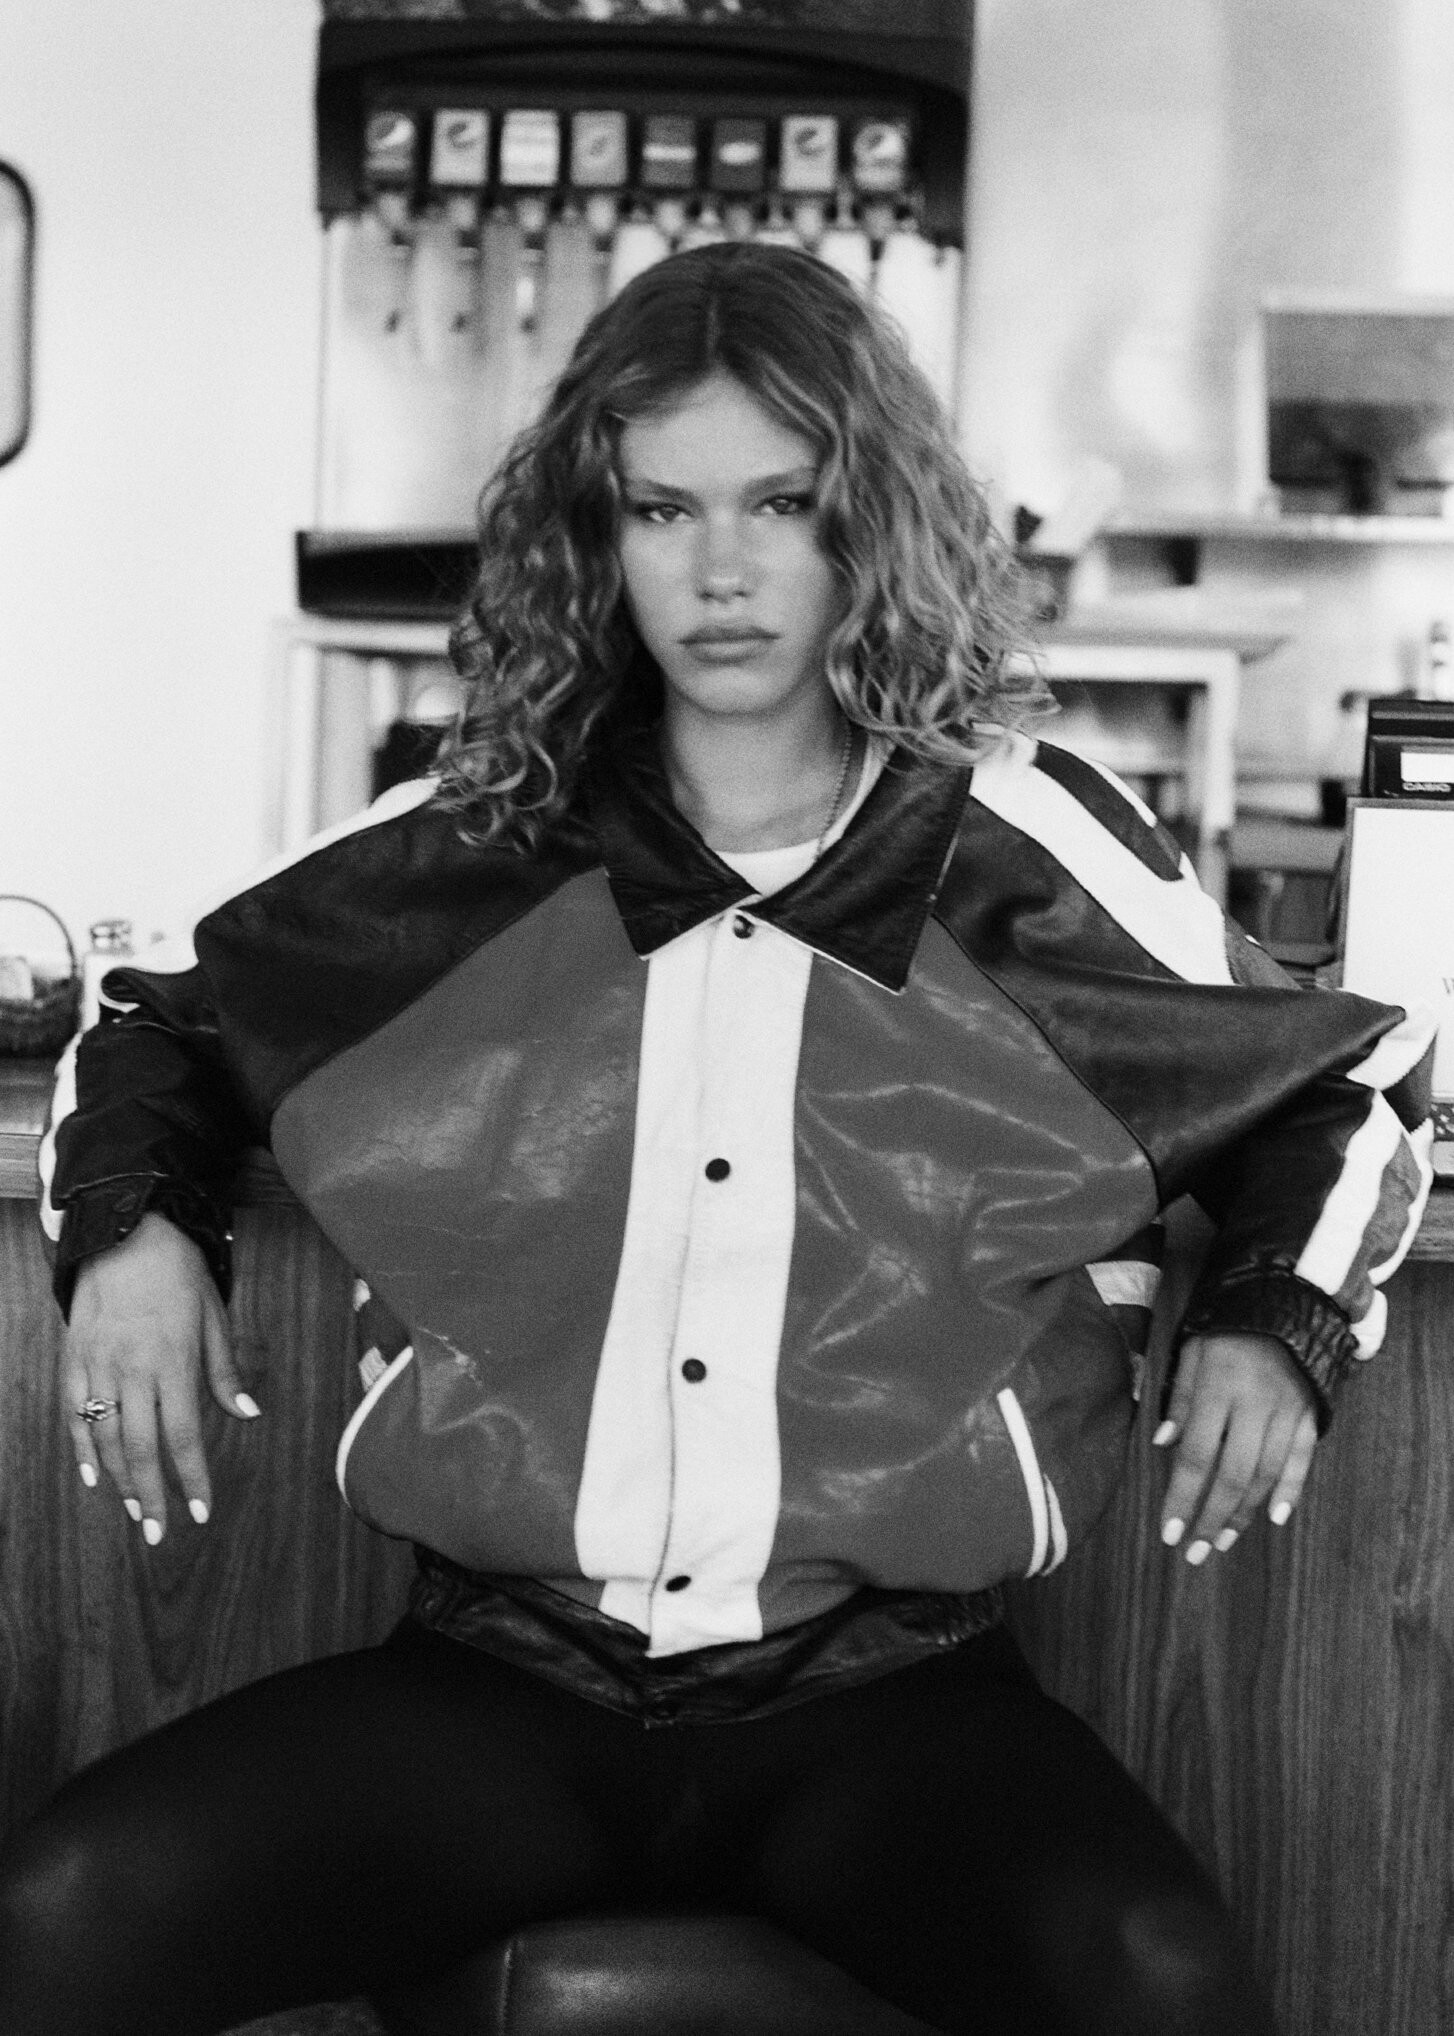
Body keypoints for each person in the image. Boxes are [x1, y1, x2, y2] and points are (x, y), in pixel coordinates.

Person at [0, 242, 1433, 2036]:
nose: (722, 570)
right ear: (595, 538)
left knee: (1161, 1982)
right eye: (662, 509)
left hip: (890, 1704)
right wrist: (134, 1234)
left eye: (782, 502)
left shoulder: (1019, 853)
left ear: (869, 523)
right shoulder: (476, 839)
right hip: (500, 1681)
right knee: (58, 1917)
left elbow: (1347, 1084)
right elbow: (156, 1021)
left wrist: (1271, 1319)